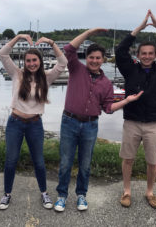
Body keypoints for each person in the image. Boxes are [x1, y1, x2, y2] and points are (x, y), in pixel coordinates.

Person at [54, 28, 143, 212]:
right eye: (91, 57)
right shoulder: (76, 68)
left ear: (103, 60)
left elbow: (108, 108)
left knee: (85, 164)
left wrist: (126, 100)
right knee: (65, 162)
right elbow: (69, 49)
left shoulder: (106, 83)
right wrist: (90, 32)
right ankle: (62, 196)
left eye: (98, 58)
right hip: (69, 122)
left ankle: (81, 195)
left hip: (90, 125)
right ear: (86, 58)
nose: (94, 61)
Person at [115, 10, 156, 209]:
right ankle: (127, 191)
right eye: (143, 53)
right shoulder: (129, 69)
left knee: (153, 162)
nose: (146, 56)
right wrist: (138, 29)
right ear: (138, 55)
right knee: (128, 159)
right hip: (132, 122)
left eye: (150, 54)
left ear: (155, 55)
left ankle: (150, 192)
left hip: (153, 124)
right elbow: (120, 51)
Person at [0, 34, 68, 210]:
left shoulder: (46, 77)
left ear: (40, 61)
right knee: (11, 160)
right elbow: (3, 54)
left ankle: (44, 193)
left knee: (38, 161)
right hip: (15, 122)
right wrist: (19, 37)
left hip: (35, 124)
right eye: (28, 60)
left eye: (34, 60)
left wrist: (51, 42)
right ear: (24, 62)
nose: (31, 64)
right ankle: (7, 194)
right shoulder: (17, 74)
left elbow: (62, 62)